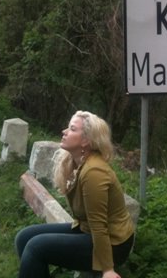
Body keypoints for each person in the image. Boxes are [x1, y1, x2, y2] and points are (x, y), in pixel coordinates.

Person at [15, 111, 135, 278]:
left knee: (36, 247)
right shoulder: (76, 163)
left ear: (86, 140)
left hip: (113, 243)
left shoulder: (94, 172)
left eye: (72, 129)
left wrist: (107, 269)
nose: (64, 131)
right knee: (24, 237)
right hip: (87, 231)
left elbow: (99, 225)